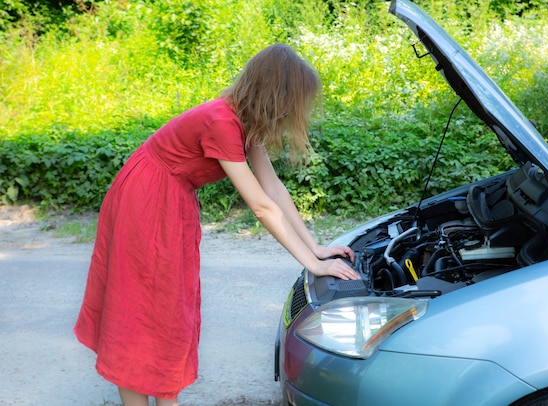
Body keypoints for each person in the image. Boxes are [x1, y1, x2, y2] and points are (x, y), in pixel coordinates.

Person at [74, 43, 361, 406]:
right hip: (145, 199)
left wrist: (316, 248)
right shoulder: (222, 122)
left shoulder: (244, 122)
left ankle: (164, 397)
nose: (294, 111)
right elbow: (260, 205)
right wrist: (311, 264)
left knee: (167, 307)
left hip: (168, 197)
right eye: (294, 101)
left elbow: (273, 189)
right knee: (140, 305)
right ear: (277, 96)